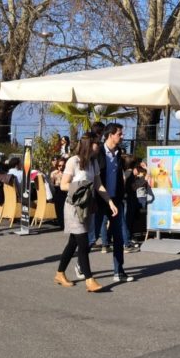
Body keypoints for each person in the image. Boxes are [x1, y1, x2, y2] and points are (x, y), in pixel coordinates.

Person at [55, 132, 118, 291]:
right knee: (83, 242)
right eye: (96, 143)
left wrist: (110, 202)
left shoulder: (93, 162)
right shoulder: (73, 161)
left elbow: (98, 185)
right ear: (89, 145)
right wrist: (81, 187)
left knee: (73, 242)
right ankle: (90, 280)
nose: (98, 146)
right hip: (73, 206)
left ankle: (60, 273)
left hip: (87, 206)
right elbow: (63, 185)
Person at [99, 124, 136, 282]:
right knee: (92, 237)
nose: (122, 136)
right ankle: (82, 263)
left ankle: (118, 271)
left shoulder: (119, 152)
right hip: (100, 199)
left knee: (118, 236)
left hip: (116, 199)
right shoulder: (99, 152)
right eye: (119, 134)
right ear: (110, 135)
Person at [49, 156, 68, 230]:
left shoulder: (67, 173)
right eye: (59, 165)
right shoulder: (54, 173)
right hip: (57, 191)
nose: (61, 167)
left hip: (66, 191)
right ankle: (61, 223)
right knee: (59, 205)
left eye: (63, 166)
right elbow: (51, 185)